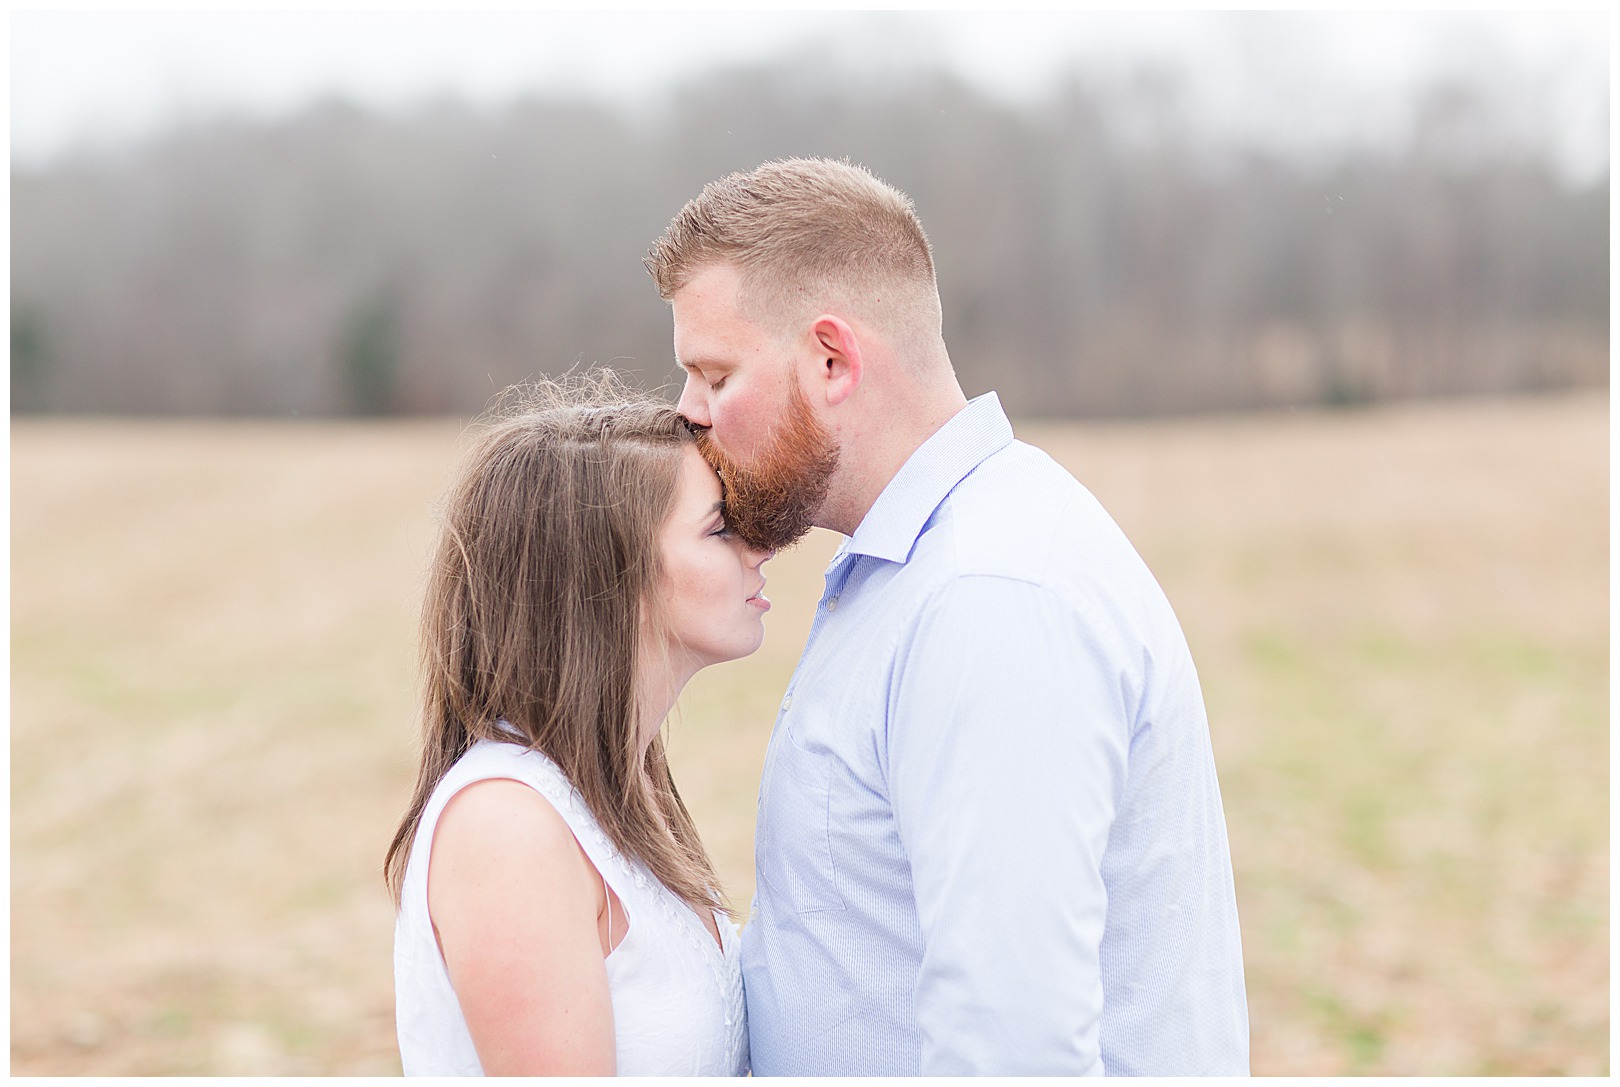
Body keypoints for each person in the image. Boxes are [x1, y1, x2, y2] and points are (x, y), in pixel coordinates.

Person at [645, 158, 1250, 1075]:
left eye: (714, 374)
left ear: (832, 360)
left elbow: (1011, 1045)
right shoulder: (922, 565)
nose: (688, 411)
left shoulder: (990, 597)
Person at [384, 376, 770, 1075]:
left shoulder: (624, 786)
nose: (760, 547)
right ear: (611, 577)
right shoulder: (508, 825)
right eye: (720, 527)